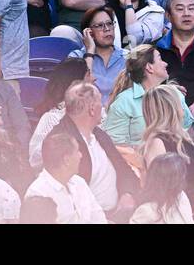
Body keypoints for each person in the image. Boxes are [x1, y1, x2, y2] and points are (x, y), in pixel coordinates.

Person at [48, 81, 139, 220]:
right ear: (92, 109)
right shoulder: (60, 141)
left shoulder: (100, 135)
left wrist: (128, 194)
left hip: (118, 215)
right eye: (100, 103)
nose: (103, 108)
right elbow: (65, 196)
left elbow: (125, 171)